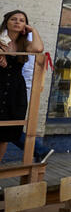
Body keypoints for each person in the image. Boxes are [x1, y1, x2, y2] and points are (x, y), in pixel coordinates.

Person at [0, 10, 52, 163]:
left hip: (15, 91)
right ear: (6, 22)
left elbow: (38, 48)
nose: (17, 22)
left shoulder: (24, 43)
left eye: (22, 20)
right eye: (13, 19)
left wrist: (33, 30)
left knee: (4, 136)